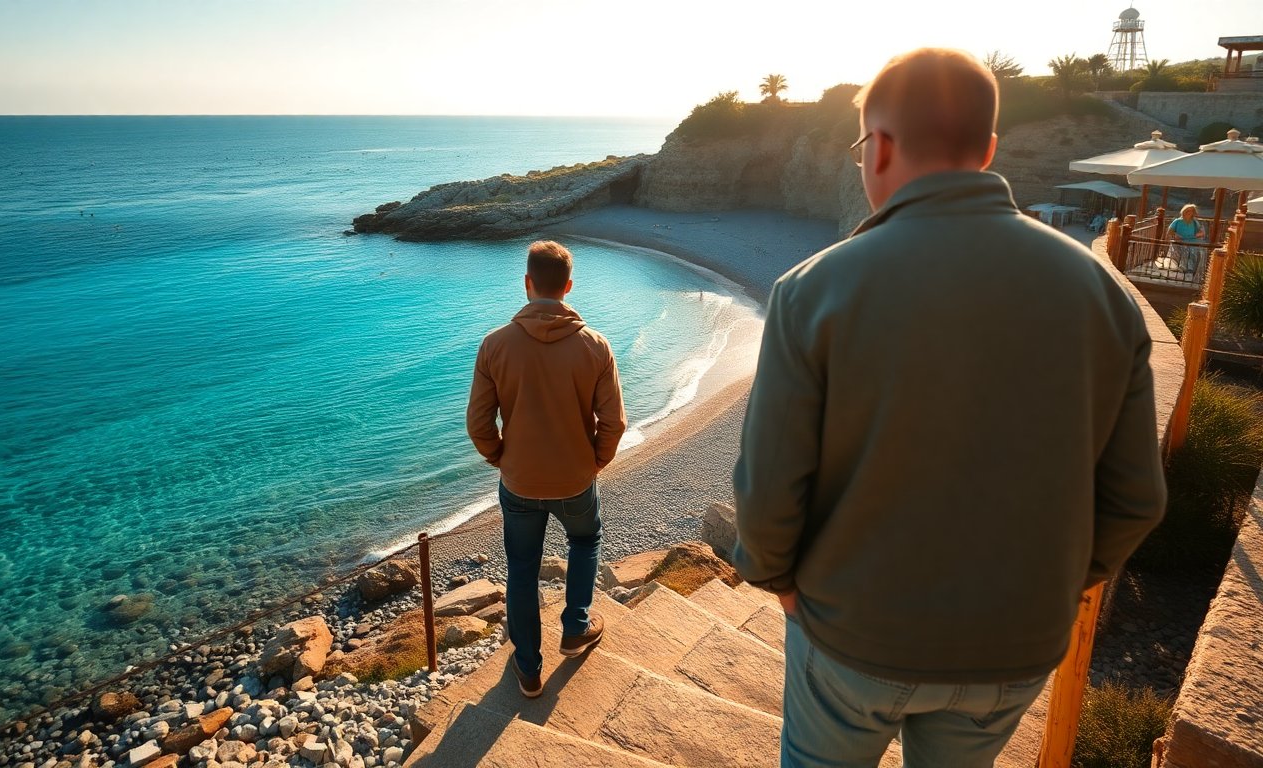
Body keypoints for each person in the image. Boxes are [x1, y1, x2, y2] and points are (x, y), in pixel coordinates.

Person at [732, 49, 1166, 767]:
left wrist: (773, 576)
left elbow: (769, 485)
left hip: (853, 632)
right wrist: (1050, 584)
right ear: (989, 149)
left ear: (879, 148)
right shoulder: (1105, 297)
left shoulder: (812, 291)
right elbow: (1136, 499)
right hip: (1015, 642)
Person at [466, 240, 626, 698]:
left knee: (521, 566)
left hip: (518, 482)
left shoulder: (494, 344)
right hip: (576, 478)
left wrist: (500, 457)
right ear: (568, 287)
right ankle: (575, 626)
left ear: (527, 283)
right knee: (585, 539)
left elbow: (479, 424)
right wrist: (595, 460)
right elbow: (614, 422)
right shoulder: (595, 345)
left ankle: (529, 667)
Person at [1167, 203, 1208, 276]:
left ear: (1193, 212)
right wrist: (1175, 234)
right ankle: (1183, 267)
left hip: (1192, 240)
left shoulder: (1195, 222)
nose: (1189, 212)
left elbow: (1201, 232)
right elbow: (1170, 232)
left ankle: (1196, 270)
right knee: (1187, 248)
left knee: (1201, 250)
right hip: (1181, 241)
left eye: (1191, 211)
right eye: (1187, 211)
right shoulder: (1177, 221)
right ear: (1183, 211)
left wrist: (1199, 234)